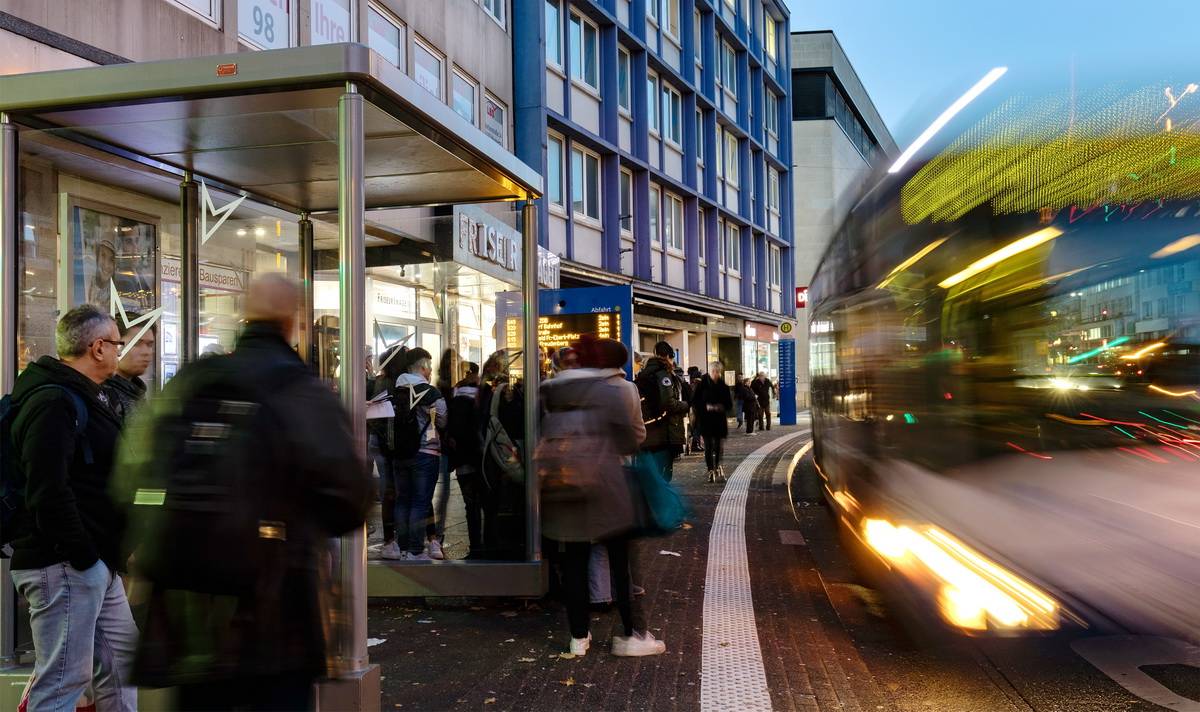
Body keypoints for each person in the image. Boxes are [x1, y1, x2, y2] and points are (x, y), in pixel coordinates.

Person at [114, 274, 368, 711]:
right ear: (294, 321)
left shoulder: (193, 381)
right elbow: (350, 499)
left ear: (244, 316)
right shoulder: (298, 388)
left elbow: (131, 478)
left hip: (189, 613)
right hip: (276, 609)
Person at [5, 305, 137, 712]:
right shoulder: (53, 402)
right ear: (98, 348)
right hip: (65, 564)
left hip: (93, 562)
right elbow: (48, 490)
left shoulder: (87, 396)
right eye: (117, 343)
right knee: (63, 681)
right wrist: (84, 557)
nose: (122, 351)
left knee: (123, 664)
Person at [539, 336, 666, 658]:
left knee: (575, 566)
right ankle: (633, 635)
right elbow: (630, 439)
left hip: (561, 488)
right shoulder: (609, 391)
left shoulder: (549, 391)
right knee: (621, 565)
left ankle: (578, 638)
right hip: (605, 486)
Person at [391, 347, 448, 561]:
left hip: (399, 453)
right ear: (423, 368)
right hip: (425, 451)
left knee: (403, 500)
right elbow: (442, 419)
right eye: (429, 367)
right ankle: (415, 550)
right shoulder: (429, 392)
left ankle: (403, 547)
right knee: (420, 502)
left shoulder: (396, 388)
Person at [447, 361, 488, 558]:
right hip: (484, 459)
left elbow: (454, 427)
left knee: (471, 505)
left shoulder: (457, 394)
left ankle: (476, 547)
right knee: (487, 504)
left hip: (465, 459)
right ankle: (488, 544)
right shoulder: (486, 392)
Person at [635, 341, 690, 482]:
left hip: (647, 432)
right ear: (667, 357)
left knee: (652, 475)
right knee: (664, 476)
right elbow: (668, 403)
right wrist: (686, 405)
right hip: (664, 433)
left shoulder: (643, 374)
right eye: (672, 359)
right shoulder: (663, 374)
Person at [371, 344, 407, 559]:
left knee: (388, 492)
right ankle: (394, 540)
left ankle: (389, 540)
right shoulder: (398, 383)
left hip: (377, 440)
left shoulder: (379, 381)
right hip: (390, 443)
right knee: (395, 491)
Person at [102, 311, 157, 424]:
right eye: (136, 343)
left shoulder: (136, 392)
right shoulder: (103, 395)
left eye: (150, 345)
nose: (147, 352)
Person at [692, 361, 733, 483]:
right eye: (713, 371)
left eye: (717, 372)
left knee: (719, 446)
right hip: (706, 420)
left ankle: (718, 466)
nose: (715, 374)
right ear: (709, 372)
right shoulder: (702, 385)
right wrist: (705, 407)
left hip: (719, 420)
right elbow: (694, 401)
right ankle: (710, 469)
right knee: (708, 446)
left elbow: (729, 404)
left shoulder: (724, 386)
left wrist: (720, 407)